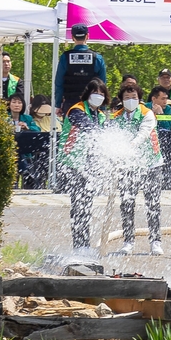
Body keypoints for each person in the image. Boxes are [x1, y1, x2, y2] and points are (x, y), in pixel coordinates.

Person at [110, 83, 165, 256]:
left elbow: (143, 134)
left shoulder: (147, 114)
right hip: (128, 167)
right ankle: (128, 241)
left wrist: (128, 148)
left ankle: (155, 241)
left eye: (134, 98)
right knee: (127, 203)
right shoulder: (116, 117)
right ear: (121, 100)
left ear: (139, 99)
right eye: (127, 98)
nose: (131, 101)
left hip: (151, 164)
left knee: (153, 203)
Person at [60, 78, 110, 251]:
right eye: (95, 93)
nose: (98, 96)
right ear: (88, 94)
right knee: (79, 204)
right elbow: (86, 126)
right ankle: (79, 244)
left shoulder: (102, 116)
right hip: (73, 162)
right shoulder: (77, 110)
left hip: (90, 165)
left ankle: (84, 243)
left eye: (101, 94)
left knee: (87, 204)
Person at [54, 23, 107, 113]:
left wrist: (58, 104)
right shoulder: (97, 57)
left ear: (72, 37)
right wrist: (103, 107)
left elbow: (59, 83)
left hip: (70, 103)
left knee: (71, 127)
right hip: (92, 103)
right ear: (88, 36)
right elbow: (103, 84)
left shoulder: (65, 57)